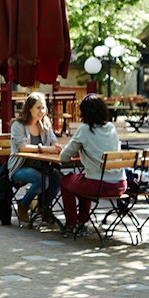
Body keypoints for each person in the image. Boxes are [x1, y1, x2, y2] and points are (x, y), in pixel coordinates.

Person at [58, 93, 125, 234]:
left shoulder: (84, 130)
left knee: (65, 181)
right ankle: (83, 222)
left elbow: (64, 157)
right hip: (120, 184)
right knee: (83, 179)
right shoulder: (111, 128)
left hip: (98, 185)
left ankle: (72, 223)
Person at [8, 91, 61, 224]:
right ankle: (24, 205)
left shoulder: (44, 124)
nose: (42, 111)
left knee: (58, 177)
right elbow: (22, 147)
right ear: (29, 108)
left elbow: (53, 140)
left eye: (43, 107)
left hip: (41, 166)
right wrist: (45, 148)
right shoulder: (18, 125)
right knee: (44, 180)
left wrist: (56, 146)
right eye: (38, 108)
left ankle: (44, 209)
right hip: (20, 167)